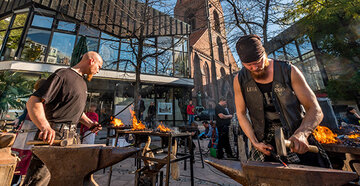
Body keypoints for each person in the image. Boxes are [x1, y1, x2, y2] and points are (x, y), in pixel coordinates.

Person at [233, 35, 331, 167]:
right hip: (264, 146)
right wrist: (254, 142)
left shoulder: (288, 70)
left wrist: (302, 134)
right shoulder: (239, 80)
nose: (255, 68)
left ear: (264, 54)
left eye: (258, 62)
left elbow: (315, 109)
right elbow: (241, 113)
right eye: (249, 65)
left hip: (297, 142)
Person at [23, 51, 103, 185]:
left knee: (68, 181)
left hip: (72, 138)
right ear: (91, 61)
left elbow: (75, 110)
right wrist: (45, 126)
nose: (98, 71)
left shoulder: (82, 83)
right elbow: (33, 101)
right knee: (39, 181)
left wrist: (90, 123)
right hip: (53, 138)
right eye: (99, 66)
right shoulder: (63, 75)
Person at [11, 79, 46, 186]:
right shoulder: (34, 98)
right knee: (18, 157)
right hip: (25, 130)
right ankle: (15, 180)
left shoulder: (46, 100)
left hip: (34, 132)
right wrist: (19, 119)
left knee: (27, 158)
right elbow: (26, 111)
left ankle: (18, 180)